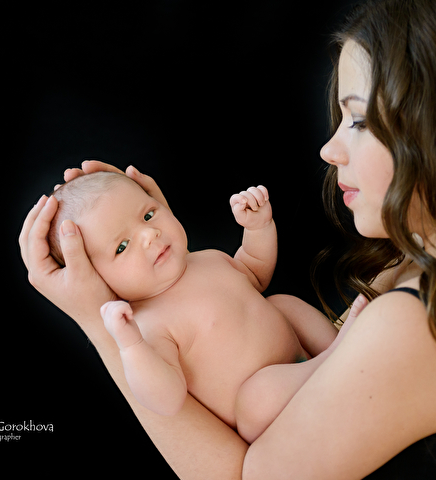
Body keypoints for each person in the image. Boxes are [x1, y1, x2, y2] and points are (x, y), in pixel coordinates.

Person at [20, 0, 436, 480]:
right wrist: (143, 224)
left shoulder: (423, 323)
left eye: (358, 121)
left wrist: (101, 320)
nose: (329, 149)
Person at [45, 171, 346, 443]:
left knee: (283, 303)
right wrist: (130, 345)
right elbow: (166, 400)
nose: (149, 235)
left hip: (298, 358)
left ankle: (337, 348)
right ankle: (336, 358)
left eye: (148, 215)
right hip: (269, 415)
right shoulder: (148, 324)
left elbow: (254, 274)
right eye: (122, 247)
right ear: (98, 279)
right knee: (257, 396)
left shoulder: (205, 259)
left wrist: (258, 228)